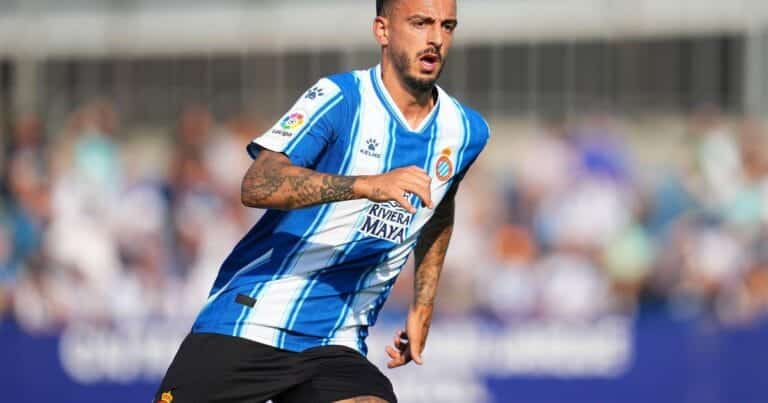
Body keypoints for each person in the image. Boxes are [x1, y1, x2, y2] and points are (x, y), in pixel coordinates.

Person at [155, 0, 489, 402]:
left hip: (337, 341)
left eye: (447, 26)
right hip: (250, 319)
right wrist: (365, 185)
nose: (435, 38)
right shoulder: (340, 98)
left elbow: (439, 207)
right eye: (420, 23)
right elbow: (257, 184)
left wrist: (423, 305)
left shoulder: (465, 130)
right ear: (382, 30)